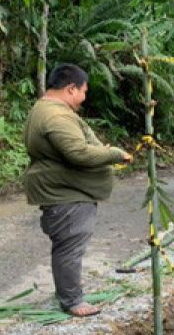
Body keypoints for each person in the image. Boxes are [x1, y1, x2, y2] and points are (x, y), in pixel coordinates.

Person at [23, 64, 131, 317]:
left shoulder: (46, 110)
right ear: (71, 89)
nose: (84, 97)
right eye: (83, 91)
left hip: (65, 190)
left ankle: (69, 292)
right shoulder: (56, 116)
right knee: (69, 245)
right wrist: (113, 154)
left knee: (69, 244)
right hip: (66, 194)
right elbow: (78, 152)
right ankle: (72, 300)